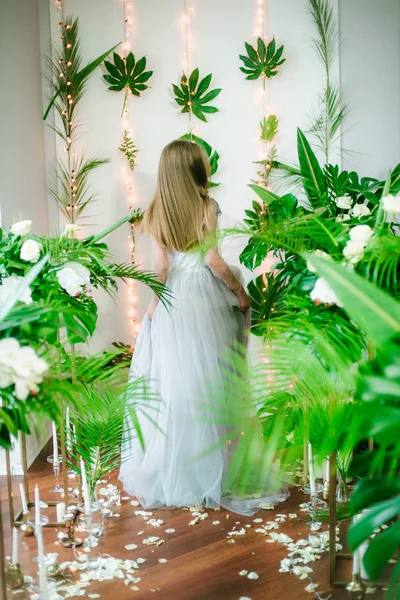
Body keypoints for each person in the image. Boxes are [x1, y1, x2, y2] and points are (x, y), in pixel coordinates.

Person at [119, 140, 288, 515]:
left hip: (173, 299)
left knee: (175, 385)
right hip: (205, 298)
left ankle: (179, 472)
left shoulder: (156, 210)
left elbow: (161, 270)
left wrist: (153, 306)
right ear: (196, 168)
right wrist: (239, 290)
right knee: (214, 382)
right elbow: (213, 259)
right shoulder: (206, 206)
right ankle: (217, 471)